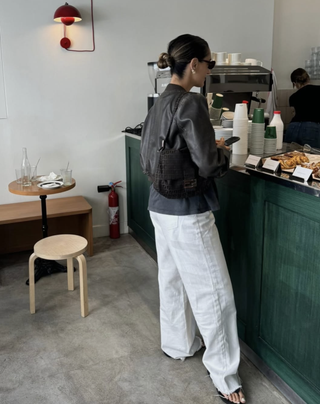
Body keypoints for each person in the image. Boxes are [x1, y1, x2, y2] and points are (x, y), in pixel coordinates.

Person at [140, 34, 246, 404]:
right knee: (215, 293)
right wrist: (223, 155)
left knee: (172, 280)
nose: (210, 71)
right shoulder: (192, 101)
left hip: (158, 205)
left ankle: (178, 344)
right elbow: (206, 163)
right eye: (209, 64)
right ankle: (224, 374)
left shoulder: (160, 101)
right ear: (195, 65)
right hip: (188, 211)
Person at [285, 68, 320, 147]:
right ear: (308, 78)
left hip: (292, 127)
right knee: (313, 157)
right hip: (312, 129)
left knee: (290, 156)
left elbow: (293, 113)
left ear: (294, 83)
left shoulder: (293, 97)